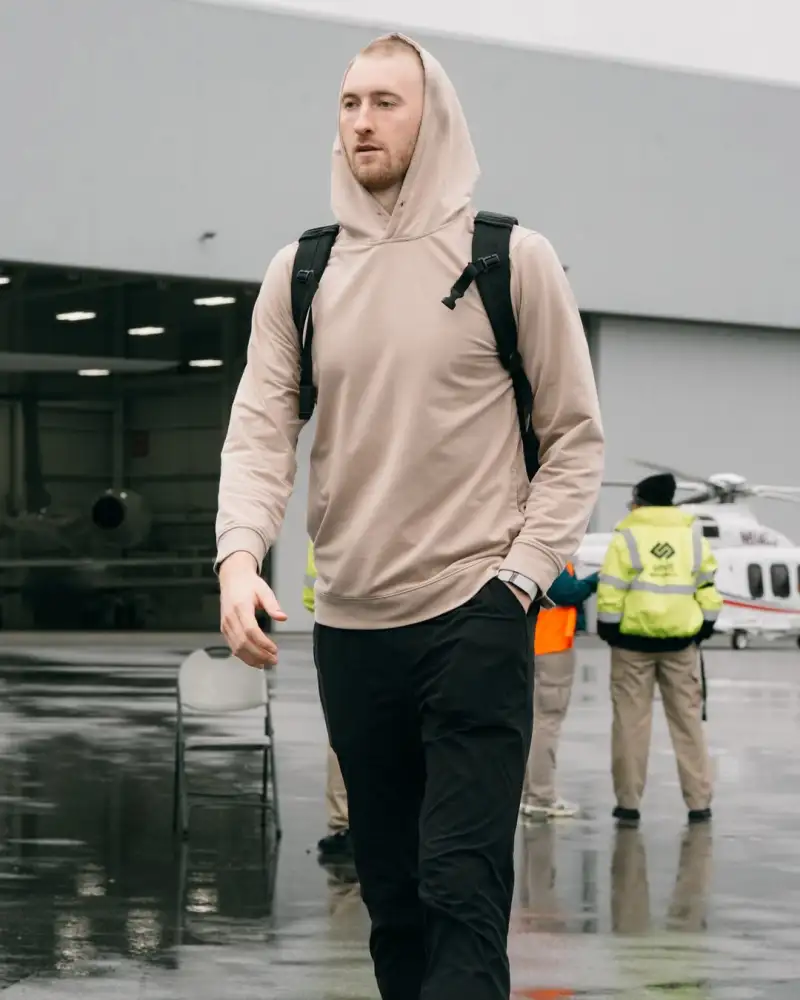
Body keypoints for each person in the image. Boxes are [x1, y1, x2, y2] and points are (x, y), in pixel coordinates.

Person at [215, 32, 604, 1000]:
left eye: (384, 102)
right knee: (390, 898)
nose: (360, 122)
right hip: (351, 628)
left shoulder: (508, 258)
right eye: (348, 103)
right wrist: (235, 557)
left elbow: (573, 439)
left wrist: (512, 583)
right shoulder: (301, 272)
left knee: (459, 886)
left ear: (434, 117)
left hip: (471, 612)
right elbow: (261, 431)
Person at [596, 473, 722, 828]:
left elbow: (611, 588)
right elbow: (708, 586)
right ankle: (699, 803)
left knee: (630, 725)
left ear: (641, 500)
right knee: (688, 724)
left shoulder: (627, 536)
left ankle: (628, 804)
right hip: (682, 644)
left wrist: (609, 628)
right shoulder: (692, 535)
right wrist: (705, 625)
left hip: (631, 645)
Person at [520, 563, 599, 820]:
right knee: (547, 721)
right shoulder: (548, 549)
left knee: (529, 720)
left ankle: (527, 793)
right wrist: (597, 578)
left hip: (528, 643)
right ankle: (540, 796)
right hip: (550, 645)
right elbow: (567, 592)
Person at [303, 540, 353, 863]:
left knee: (344, 732)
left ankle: (345, 827)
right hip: (374, 620)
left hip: (337, 623)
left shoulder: (326, 512)